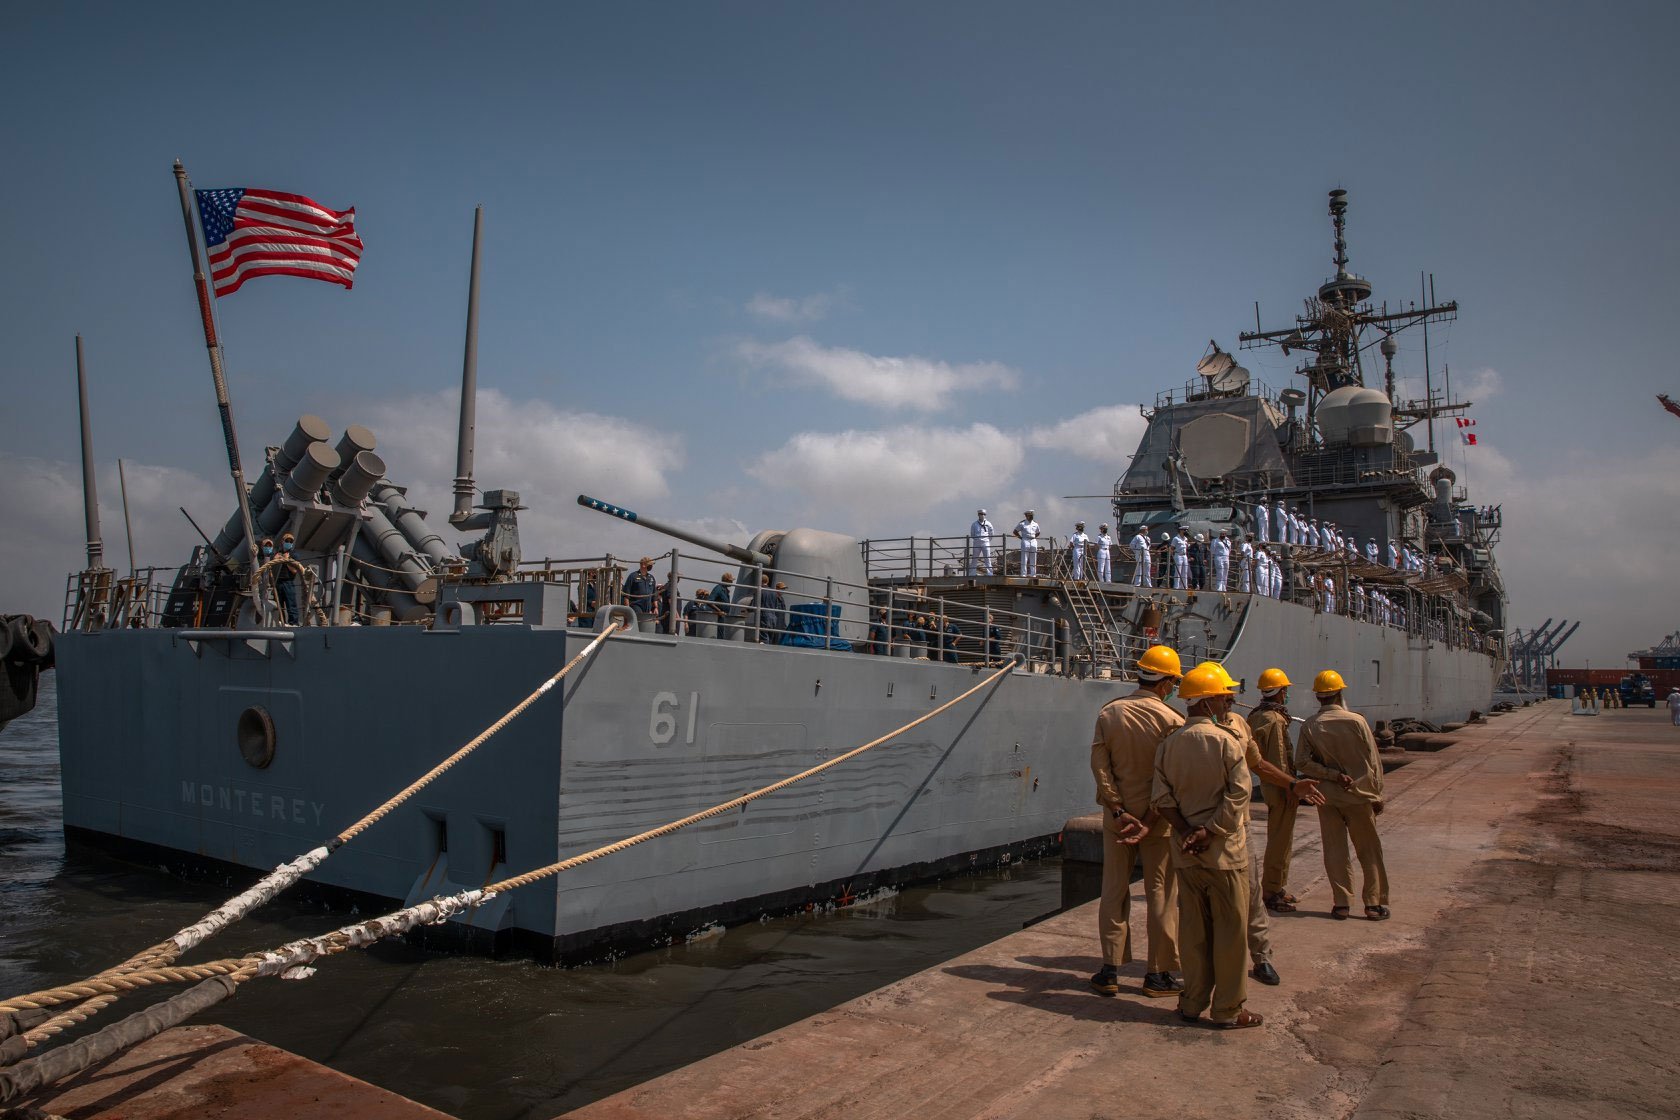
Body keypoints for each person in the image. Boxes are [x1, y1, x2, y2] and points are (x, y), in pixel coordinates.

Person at [1150, 664, 1262, 1029]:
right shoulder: (1226, 741)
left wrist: (1186, 832)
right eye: (1222, 697)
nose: (1227, 701)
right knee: (1230, 933)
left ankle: (1191, 1002)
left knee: (1193, 933)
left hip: (1186, 854)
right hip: (1224, 855)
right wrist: (1210, 832)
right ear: (1210, 702)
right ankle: (1228, 1009)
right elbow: (1240, 794)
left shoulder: (1169, 745)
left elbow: (1161, 799)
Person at [1088, 645, 1186, 1000]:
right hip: (1159, 822)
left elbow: (1100, 767)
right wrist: (1148, 818)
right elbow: (1170, 779)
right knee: (1161, 894)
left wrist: (1117, 810)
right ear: (1167, 683)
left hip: (1118, 820)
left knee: (1114, 890)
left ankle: (1110, 970)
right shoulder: (1174, 722)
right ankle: (1157, 974)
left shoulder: (1109, 713)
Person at [1294, 670, 1390, 921]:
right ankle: (1373, 903)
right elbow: (1373, 762)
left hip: (1328, 798)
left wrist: (1331, 774)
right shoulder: (1357, 722)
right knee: (1368, 850)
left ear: (1318, 697)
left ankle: (1341, 903)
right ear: (1339, 693)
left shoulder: (1310, 725)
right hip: (1359, 795)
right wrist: (1377, 795)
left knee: (1335, 851)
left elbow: (1301, 762)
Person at [1250, 670, 1301, 912]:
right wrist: (1290, 786)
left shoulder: (1257, 715)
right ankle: (1272, 890)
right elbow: (1280, 759)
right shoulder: (1275, 719)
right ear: (1281, 692)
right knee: (1280, 839)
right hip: (1279, 786)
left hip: (1268, 783)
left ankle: (1276, 885)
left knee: (1278, 838)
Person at [274, 532, 302, 624]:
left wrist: (286, 560)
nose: (289, 543)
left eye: (290, 541)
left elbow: (294, 570)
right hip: (278, 583)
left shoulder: (294, 555)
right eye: (287, 541)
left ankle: (293, 623)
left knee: (291, 604)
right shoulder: (277, 554)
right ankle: (280, 622)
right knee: (278, 605)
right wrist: (275, 559)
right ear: (282, 542)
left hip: (288, 583)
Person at [1015, 510, 1041, 577]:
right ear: (1026, 516)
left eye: (1031, 515)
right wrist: (1021, 538)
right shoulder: (1022, 523)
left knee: (1033, 557)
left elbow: (1038, 532)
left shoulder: (1035, 524)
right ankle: (1023, 574)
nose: (1031, 516)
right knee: (1024, 557)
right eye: (1029, 515)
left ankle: (1033, 574)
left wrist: (1034, 537)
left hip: (1033, 540)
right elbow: (1015, 531)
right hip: (1025, 540)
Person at [969, 509, 995, 576]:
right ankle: (972, 573)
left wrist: (987, 540)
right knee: (974, 558)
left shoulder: (988, 524)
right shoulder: (974, 524)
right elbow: (972, 534)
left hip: (985, 542)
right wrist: (977, 539)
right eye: (981, 514)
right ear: (978, 515)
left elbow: (991, 534)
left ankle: (989, 573)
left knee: (987, 558)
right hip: (977, 542)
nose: (982, 515)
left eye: (984, 514)